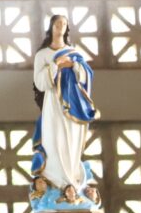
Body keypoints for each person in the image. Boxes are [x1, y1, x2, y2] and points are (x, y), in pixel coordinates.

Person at [31, 15, 98, 197]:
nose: (61, 26)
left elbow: (86, 76)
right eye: (57, 23)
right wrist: (55, 65)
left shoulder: (73, 53)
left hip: (73, 103)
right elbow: (40, 83)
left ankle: (73, 182)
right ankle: (56, 181)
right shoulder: (42, 55)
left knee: (72, 141)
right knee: (55, 139)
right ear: (51, 27)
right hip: (53, 102)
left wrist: (74, 65)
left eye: (64, 24)